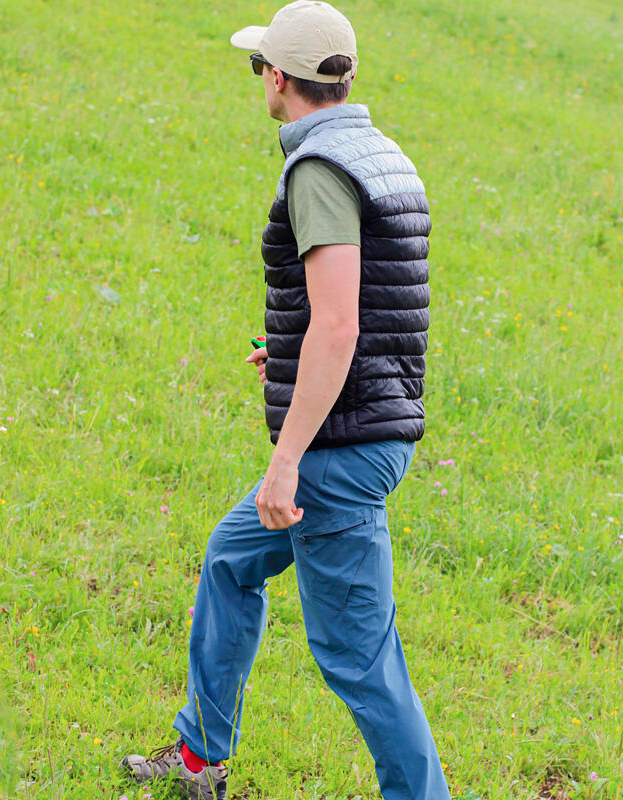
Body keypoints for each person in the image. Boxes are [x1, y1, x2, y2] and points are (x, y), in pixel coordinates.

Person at [122, 2, 450, 798]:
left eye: (258, 66)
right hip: (371, 424)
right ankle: (200, 757)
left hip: (341, 449)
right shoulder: (378, 151)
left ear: (278, 77)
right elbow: (373, 303)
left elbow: (340, 325)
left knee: (359, 661)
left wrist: (287, 461)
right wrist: (295, 350)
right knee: (232, 559)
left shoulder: (320, 169)